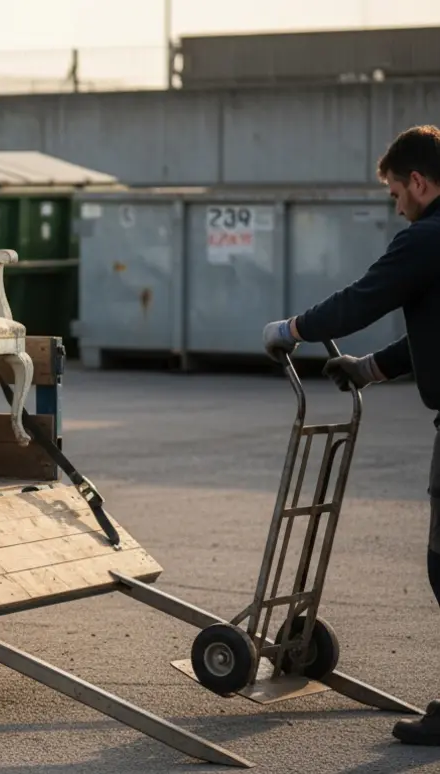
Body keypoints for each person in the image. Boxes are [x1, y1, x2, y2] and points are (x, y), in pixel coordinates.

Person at [262, 124, 440, 746]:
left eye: (395, 192)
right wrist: (371, 369)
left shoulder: (427, 237)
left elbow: (361, 300)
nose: (396, 205)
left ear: (417, 182)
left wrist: (291, 329)